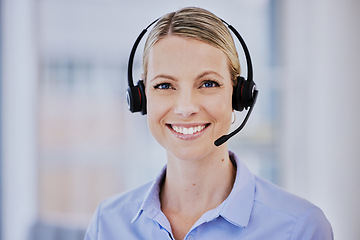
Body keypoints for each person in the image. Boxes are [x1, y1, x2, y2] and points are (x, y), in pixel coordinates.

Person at [85, 7, 333, 240]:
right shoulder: (106, 224)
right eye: (164, 85)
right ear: (141, 97)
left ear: (238, 95)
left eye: (208, 84)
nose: (186, 108)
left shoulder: (299, 228)